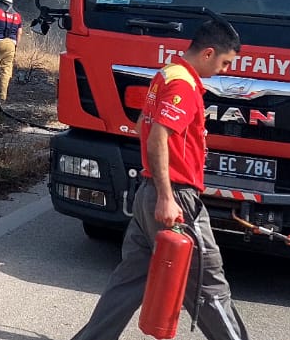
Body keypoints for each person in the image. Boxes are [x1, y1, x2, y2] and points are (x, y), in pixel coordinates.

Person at [68, 19, 250, 340]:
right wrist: (167, 197)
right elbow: (156, 138)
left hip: (147, 193)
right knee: (207, 283)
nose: (223, 70)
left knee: (129, 280)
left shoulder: (167, 74)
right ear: (208, 53)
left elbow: (142, 126)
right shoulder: (184, 86)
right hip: (175, 196)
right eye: (224, 63)